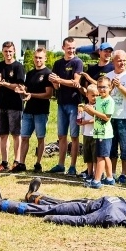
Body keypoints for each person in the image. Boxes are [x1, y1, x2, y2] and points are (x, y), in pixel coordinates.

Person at [48, 37, 84, 175]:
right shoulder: (57, 63)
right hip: (61, 103)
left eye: (73, 48)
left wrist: (59, 80)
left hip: (74, 104)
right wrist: (54, 82)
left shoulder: (77, 62)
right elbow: (57, 85)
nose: (71, 50)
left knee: (74, 137)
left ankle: (73, 166)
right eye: (69, 48)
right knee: (62, 136)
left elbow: (75, 82)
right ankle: (60, 164)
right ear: (63, 48)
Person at [15, 48, 53, 173]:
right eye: (36, 57)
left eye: (40, 58)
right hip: (28, 111)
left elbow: (48, 94)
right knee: (24, 137)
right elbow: (25, 91)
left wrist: (32, 94)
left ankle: (38, 164)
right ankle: (21, 163)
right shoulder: (30, 73)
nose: (38, 60)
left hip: (41, 111)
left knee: (40, 138)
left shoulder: (48, 73)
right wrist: (21, 91)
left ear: (45, 58)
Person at [0, 41, 26, 172]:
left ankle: (16, 161)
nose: (8, 54)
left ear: (14, 51)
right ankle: (4, 163)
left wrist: (3, 83)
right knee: (3, 134)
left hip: (15, 105)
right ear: (2, 52)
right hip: (1, 105)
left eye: (10, 51)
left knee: (16, 135)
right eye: (6, 51)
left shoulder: (18, 67)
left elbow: (19, 86)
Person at [105, 50, 126, 184]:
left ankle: (124, 174)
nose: (122, 63)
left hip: (125, 117)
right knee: (111, 147)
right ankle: (112, 173)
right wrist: (112, 86)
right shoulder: (108, 75)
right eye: (119, 60)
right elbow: (104, 95)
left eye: (124, 60)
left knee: (125, 147)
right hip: (110, 116)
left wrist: (120, 86)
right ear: (113, 61)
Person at [83, 77, 115, 189]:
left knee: (100, 157)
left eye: (104, 87)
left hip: (104, 133)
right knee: (105, 156)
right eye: (99, 87)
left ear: (110, 88)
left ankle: (96, 180)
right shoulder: (99, 100)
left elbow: (106, 117)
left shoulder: (109, 101)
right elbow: (97, 116)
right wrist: (88, 110)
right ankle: (110, 178)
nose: (102, 90)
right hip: (98, 132)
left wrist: (93, 111)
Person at [76, 85, 97, 185]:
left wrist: (86, 122)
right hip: (86, 134)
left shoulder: (98, 107)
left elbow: (97, 118)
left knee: (95, 156)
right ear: (87, 95)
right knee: (88, 156)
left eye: (97, 95)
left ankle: (96, 174)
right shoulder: (83, 107)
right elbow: (79, 121)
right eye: (92, 95)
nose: (95, 98)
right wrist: (79, 113)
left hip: (95, 134)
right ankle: (89, 173)